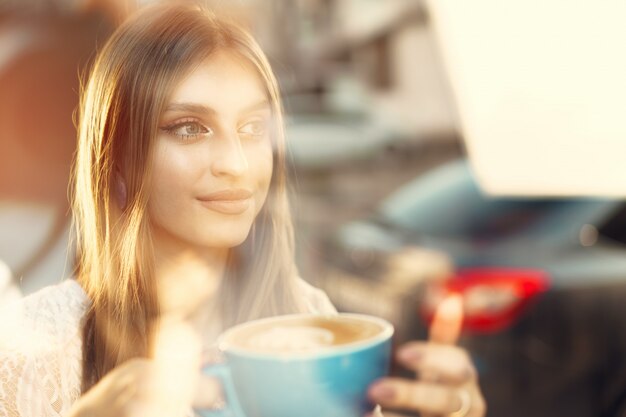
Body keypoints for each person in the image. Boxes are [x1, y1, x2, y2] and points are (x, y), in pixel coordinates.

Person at [0, 3, 485, 417]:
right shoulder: (39, 342)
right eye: (189, 127)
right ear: (119, 157)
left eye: (252, 129)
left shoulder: (311, 317)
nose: (236, 165)